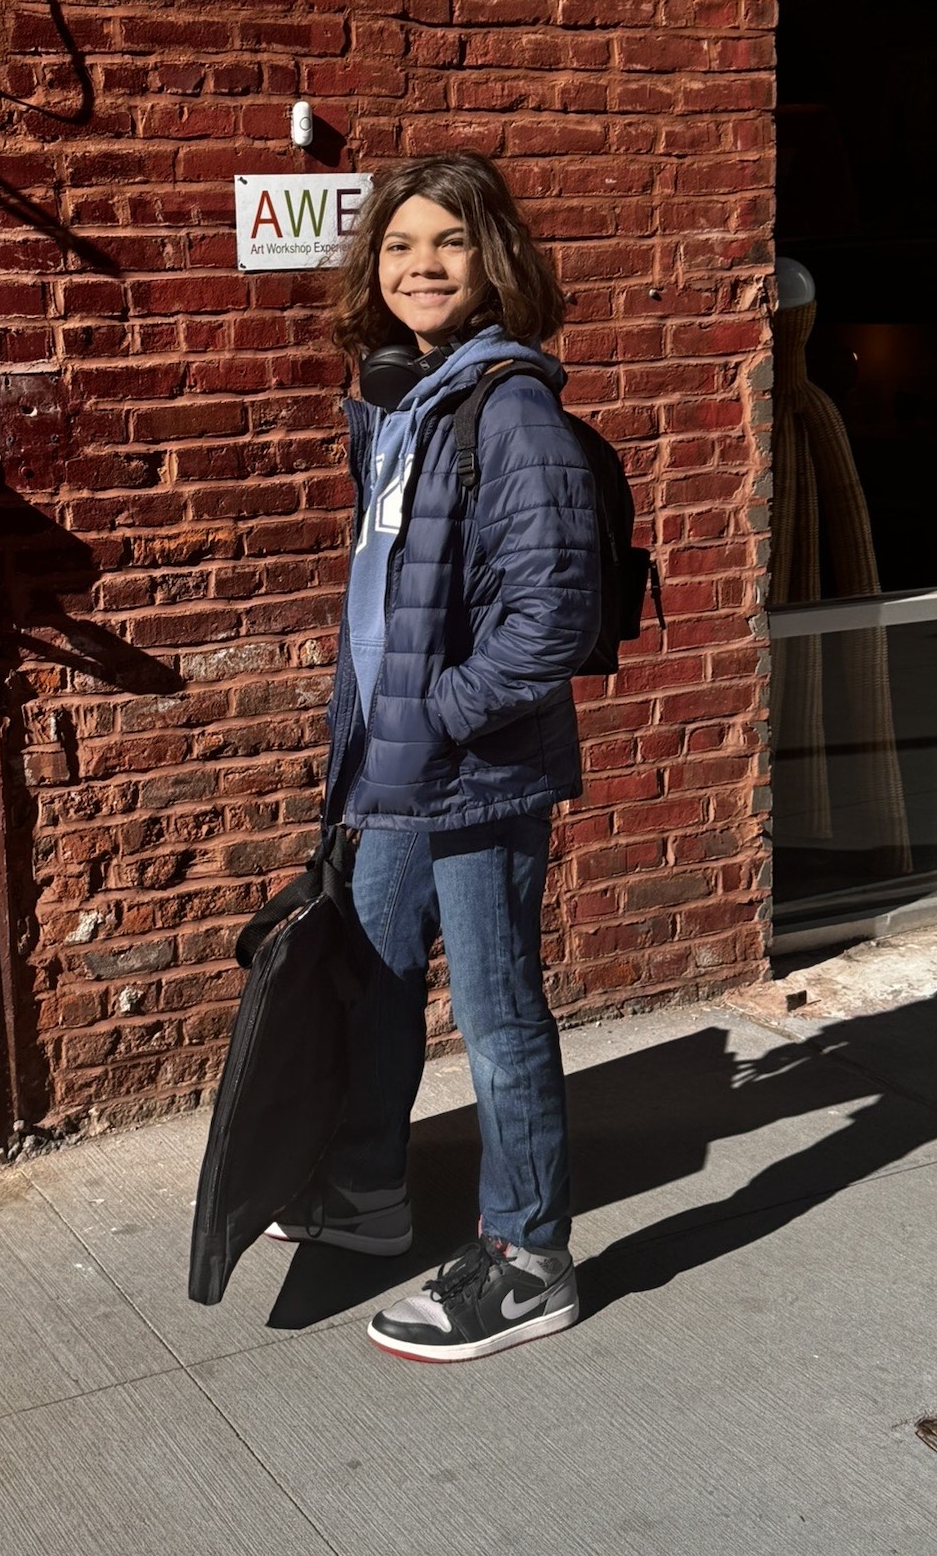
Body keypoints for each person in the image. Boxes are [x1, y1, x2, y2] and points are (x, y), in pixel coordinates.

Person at [267, 152, 601, 1364]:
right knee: (370, 965)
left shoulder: (510, 407)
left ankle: (529, 1260)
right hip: (403, 764)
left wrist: (441, 708)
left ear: (491, 259)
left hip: (475, 767)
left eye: (446, 244)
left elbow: (548, 621)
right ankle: (366, 1187)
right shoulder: (412, 401)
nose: (419, 266)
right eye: (400, 245)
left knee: (501, 1013)